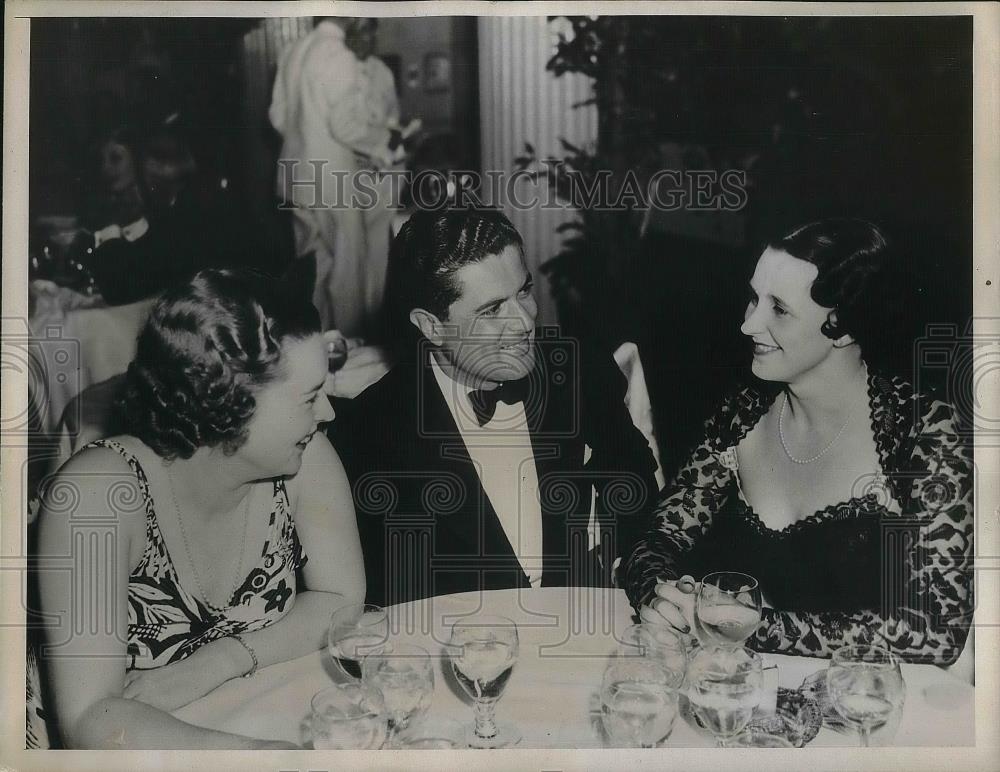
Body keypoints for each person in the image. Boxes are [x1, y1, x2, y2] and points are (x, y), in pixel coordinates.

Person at [34, 268, 365, 748]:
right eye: (310, 397)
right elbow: (90, 718)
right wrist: (262, 758)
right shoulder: (97, 497)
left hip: (249, 713)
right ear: (232, 401)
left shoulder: (305, 456)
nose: (328, 413)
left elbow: (341, 602)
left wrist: (221, 660)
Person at [624, 219, 973, 665]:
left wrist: (748, 624)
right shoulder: (745, 411)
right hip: (746, 695)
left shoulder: (925, 434)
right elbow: (656, 538)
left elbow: (936, 632)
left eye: (779, 310)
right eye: (753, 298)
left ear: (843, 326)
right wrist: (659, 596)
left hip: (866, 709)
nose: (749, 324)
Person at [328, 209, 659, 607]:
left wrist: (630, 564)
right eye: (491, 310)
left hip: (578, 627)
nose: (523, 321)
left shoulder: (577, 370)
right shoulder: (370, 430)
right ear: (431, 326)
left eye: (524, 291)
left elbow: (633, 474)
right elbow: (376, 594)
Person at [269, 16, 403, 337]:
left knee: (313, 271)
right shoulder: (338, 54)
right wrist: (386, 142)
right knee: (349, 277)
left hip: (296, 179)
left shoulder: (293, 50)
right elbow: (346, 126)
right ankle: (353, 354)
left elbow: (277, 116)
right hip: (334, 183)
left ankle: (317, 350)